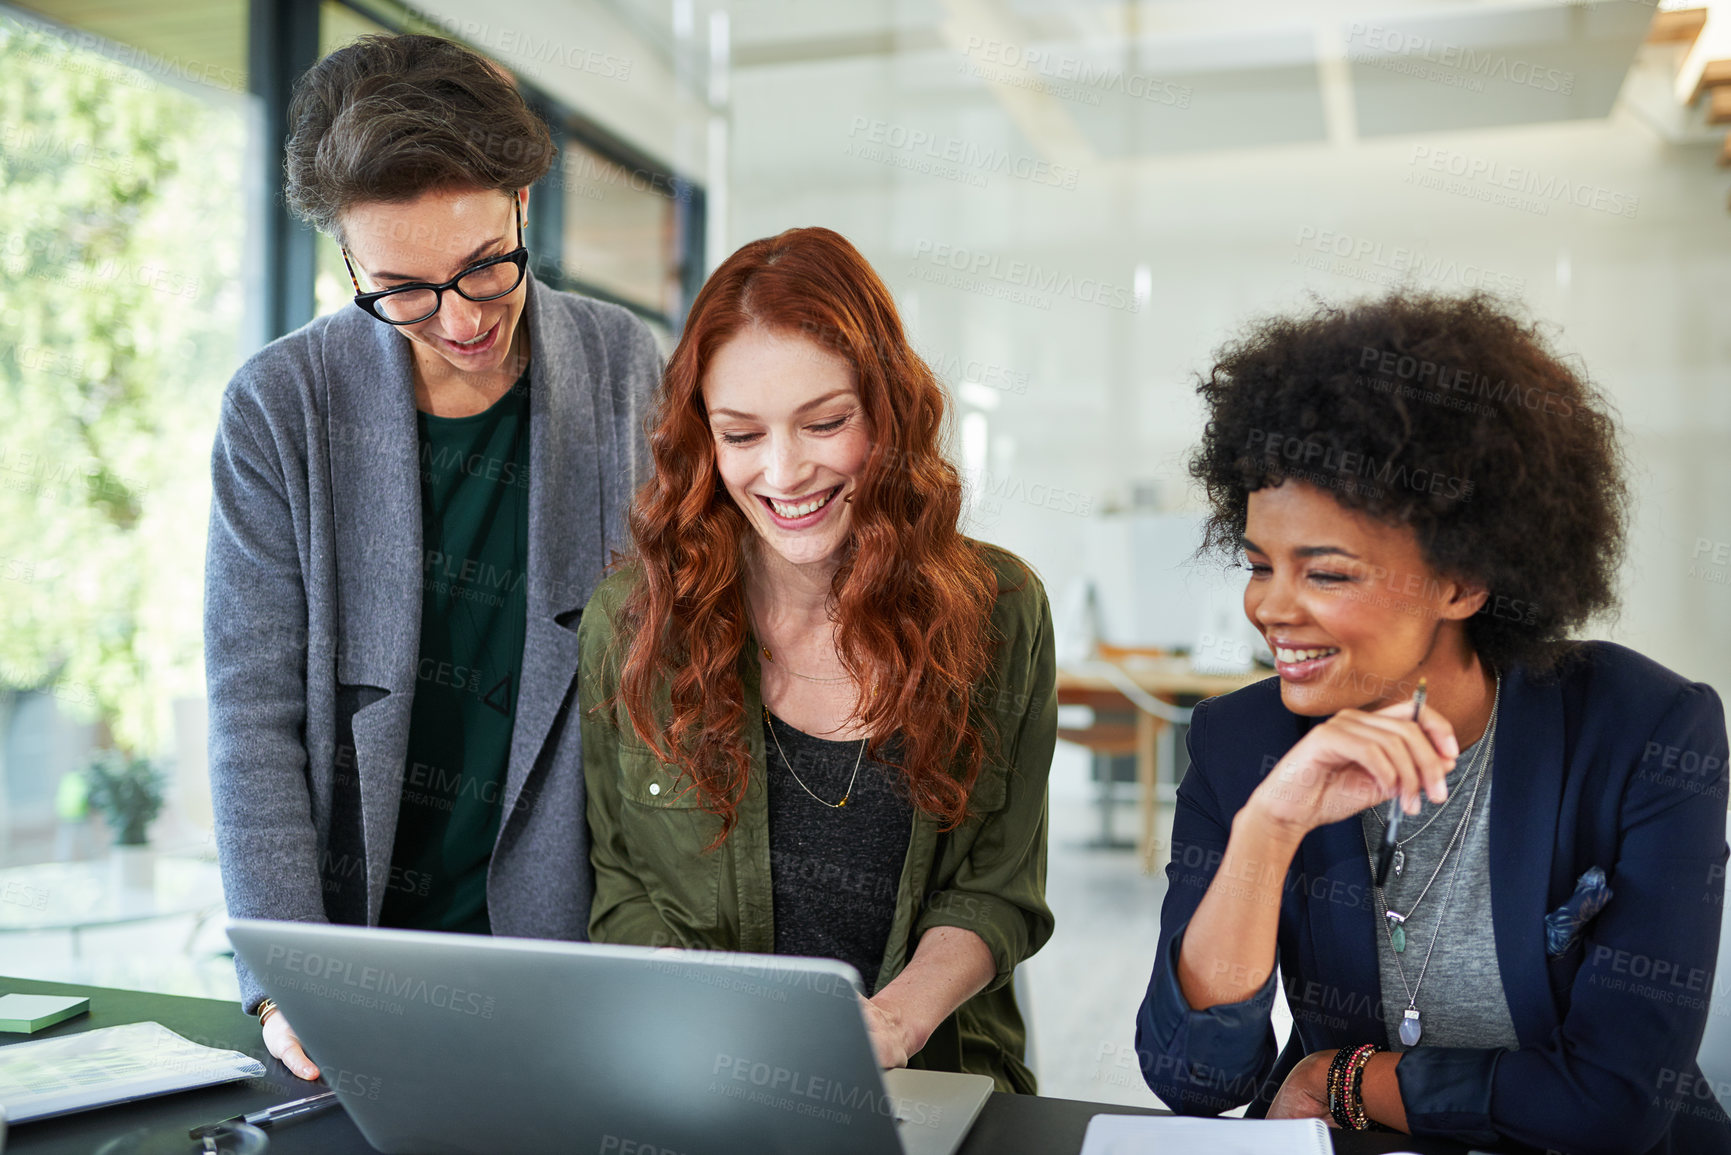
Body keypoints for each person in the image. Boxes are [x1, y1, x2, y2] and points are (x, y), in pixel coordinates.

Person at [1133, 291, 1731, 1152]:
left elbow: (1614, 1101)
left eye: (1326, 573)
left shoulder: (1647, 730)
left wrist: (1343, 1077)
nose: (1268, 605)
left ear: (1461, 582)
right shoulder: (1242, 744)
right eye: (1259, 563)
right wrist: (1266, 831)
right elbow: (1195, 1077)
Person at [204, 34, 658, 1080]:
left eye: (485, 267)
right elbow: (252, 715)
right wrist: (285, 985)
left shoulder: (625, 366)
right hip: (361, 962)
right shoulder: (280, 409)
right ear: (347, 265)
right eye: (403, 289)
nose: (460, 322)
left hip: (579, 950)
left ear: (524, 206)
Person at [577, 226, 1054, 1090]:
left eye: (825, 422)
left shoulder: (1001, 610)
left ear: (889, 412)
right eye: (741, 434)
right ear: (703, 440)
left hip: (932, 1079)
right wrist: (732, 1033)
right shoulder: (633, 623)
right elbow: (621, 890)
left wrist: (893, 1024)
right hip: (703, 1082)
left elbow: (996, 888)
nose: (785, 471)